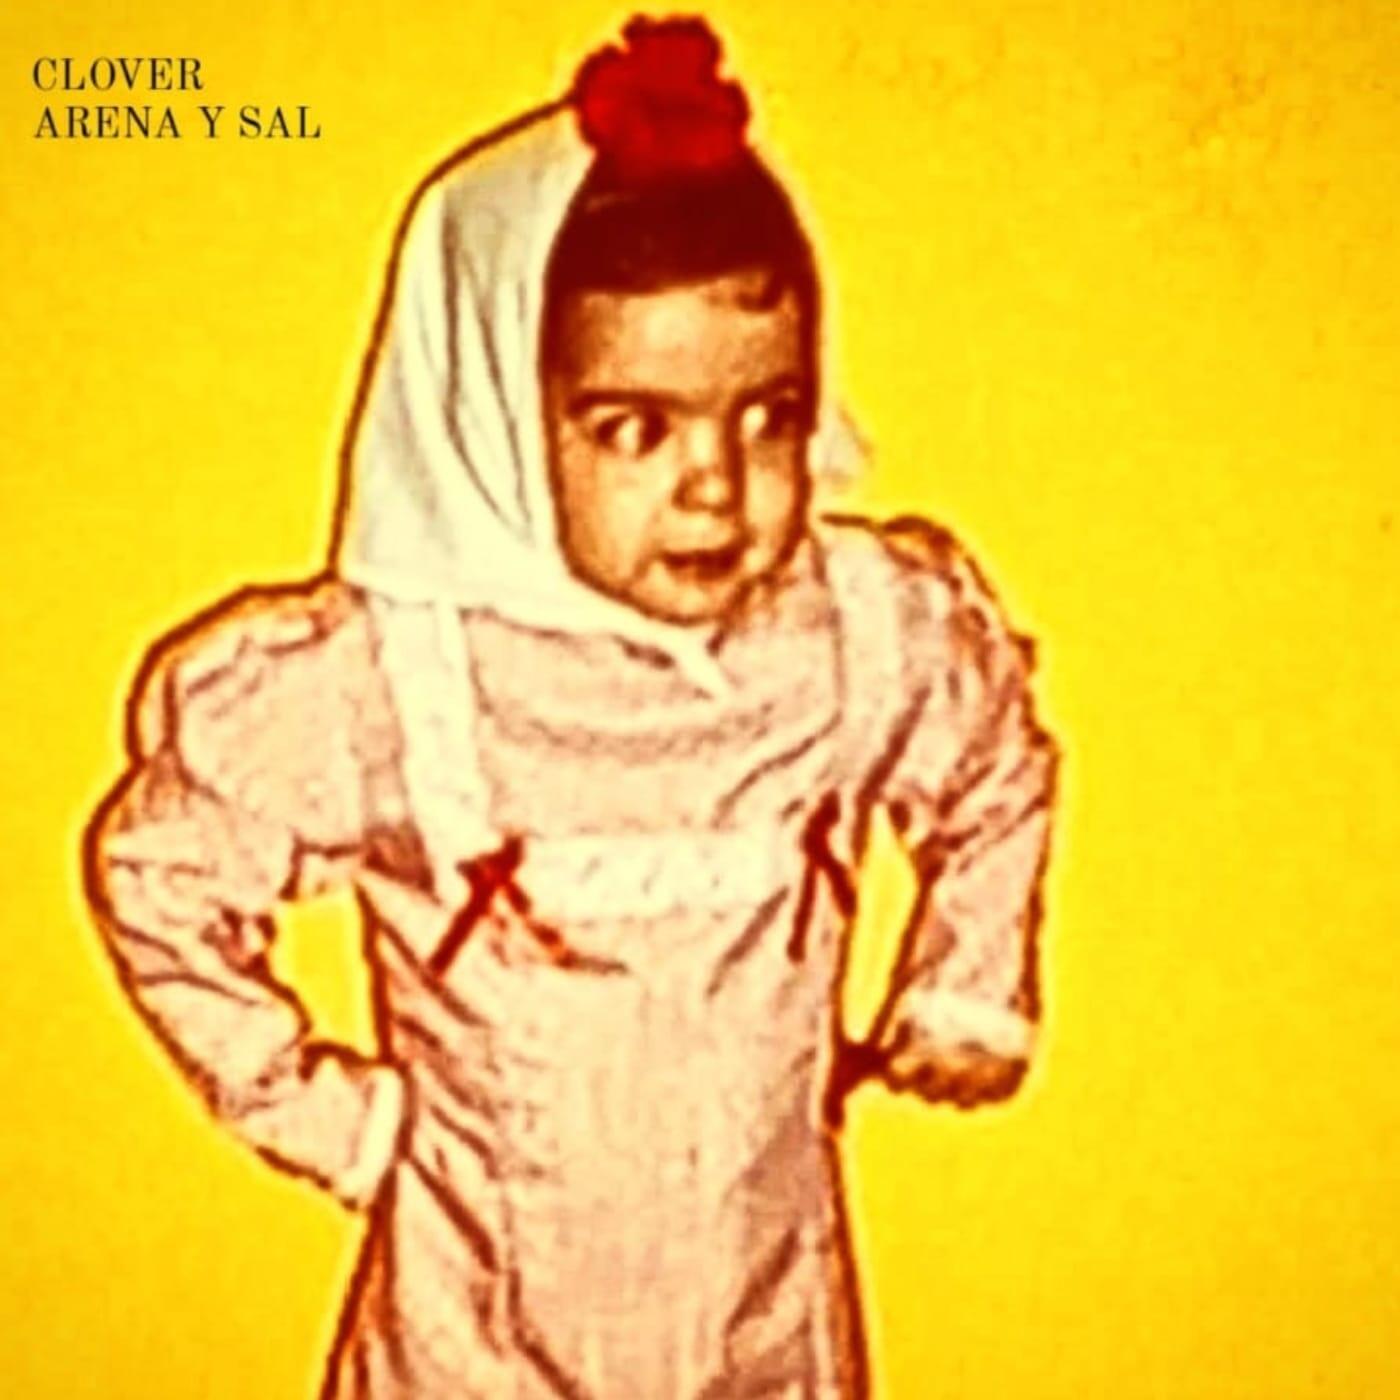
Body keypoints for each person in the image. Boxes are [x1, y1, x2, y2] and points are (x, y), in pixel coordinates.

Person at [83, 16, 1058, 1398]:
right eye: (635, 428)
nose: (716, 482)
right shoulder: (398, 683)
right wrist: (333, 1121)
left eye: (768, 415)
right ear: (495, 414)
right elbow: (161, 877)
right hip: (471, 1349)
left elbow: (995, 763)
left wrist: (969, 981)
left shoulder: (852, 639)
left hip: (767, 1338)